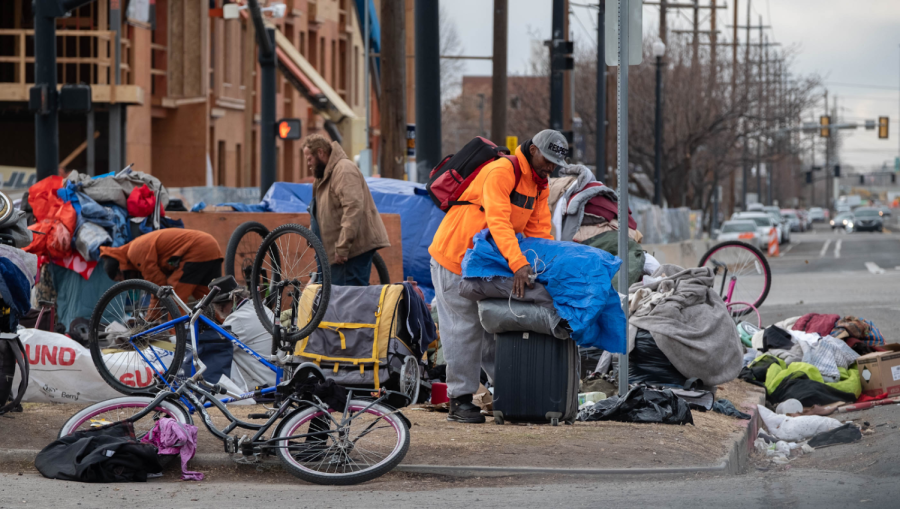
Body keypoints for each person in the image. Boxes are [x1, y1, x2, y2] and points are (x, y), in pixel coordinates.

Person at [428, 130, 567, 423]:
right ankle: (459, 400)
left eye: (556, 163)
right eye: (548, 160)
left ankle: (511, 394)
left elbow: (539, 233)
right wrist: (517, 264)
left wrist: (545, 269)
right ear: (532, 150)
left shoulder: (539, 185)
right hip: (455, 257)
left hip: (487, 263)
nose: (551, 167)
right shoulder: (501, 171)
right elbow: (498, 221)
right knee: (463, 327)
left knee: (495, 325)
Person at [302, 134, 390, 286]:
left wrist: (342, 247)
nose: (308, 164)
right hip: (332, 252)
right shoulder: (323, 175)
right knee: (335, 300)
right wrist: (313, 233)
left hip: (350, 252)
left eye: (310, 159)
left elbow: (353, 208)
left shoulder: (344, 170)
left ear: (321, 153)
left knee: (347, 301)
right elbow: (321, 210)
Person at [99, 229, 223, 304]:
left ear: (121, 266)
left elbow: (159, 288)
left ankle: (175, 336)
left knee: (174, 295)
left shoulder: (135, 252)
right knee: (208, 299)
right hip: (210, 247)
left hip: (197, 250)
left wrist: (150, 319)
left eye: (122, 278)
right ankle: (225, 330)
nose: (125, 281)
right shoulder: (135, 247)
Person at [211, 287, 277, 390]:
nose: (218, 310)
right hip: (274, 376)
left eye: (218, 305)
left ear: (232, 300)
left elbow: (216, 350)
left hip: (262, 383)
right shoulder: (259, 308)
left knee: (218, 355)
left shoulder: (238, 318)